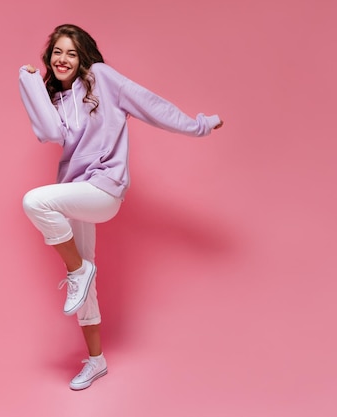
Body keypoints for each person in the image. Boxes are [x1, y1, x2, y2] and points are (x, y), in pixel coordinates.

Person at [19, 23, 223, 391]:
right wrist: (31, 83)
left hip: (104, 188)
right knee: (86, 291)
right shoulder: (58, 100)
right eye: (56, 53)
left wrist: (199, 126)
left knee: (34, 201)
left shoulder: (102, 78)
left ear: (83, 56)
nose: (62, 59)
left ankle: (78, 270)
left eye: (71, 52)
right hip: (76, 192)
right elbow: (49, 133)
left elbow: (149, 104)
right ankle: (95, 360)